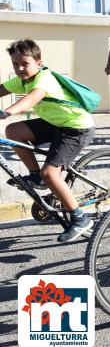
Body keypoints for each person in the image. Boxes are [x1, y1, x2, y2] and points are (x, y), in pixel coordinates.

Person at [0, 39, 95, 242]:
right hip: (56, 124)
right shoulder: (23, 79)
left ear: (38, 63)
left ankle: (80, 218)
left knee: (50, 172)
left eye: (24, 63)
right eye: (15, 64)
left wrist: (8, 111)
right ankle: (36, 176)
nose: (19, 68)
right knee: (13, 131)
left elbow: (33, 98)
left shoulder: (44, 78)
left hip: (75, 128)